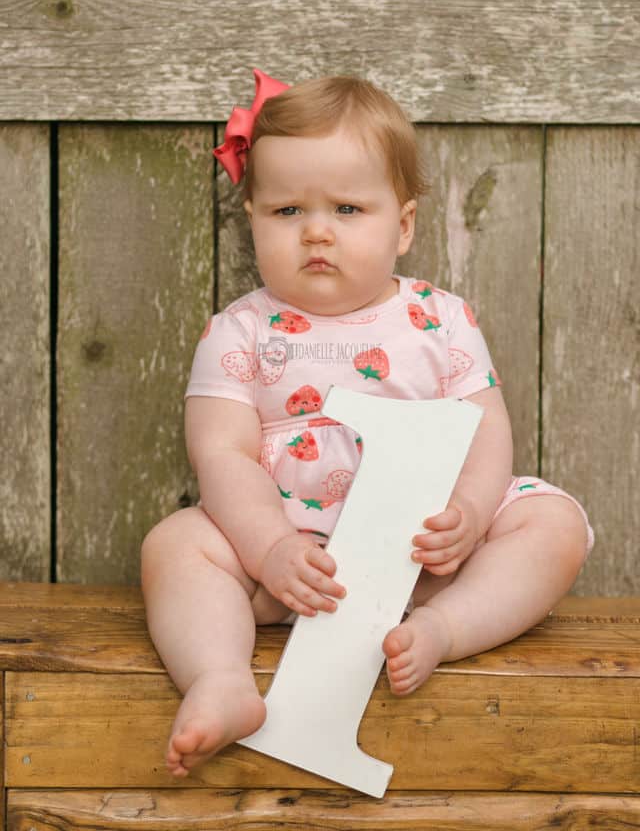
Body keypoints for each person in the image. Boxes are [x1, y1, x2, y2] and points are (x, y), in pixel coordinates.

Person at [141, 68, 594, 779]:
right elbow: (223, 456)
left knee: (555, 522)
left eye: (348, 210)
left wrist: (470, 516)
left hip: (426, 560)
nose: (317, 231)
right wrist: (270, 550)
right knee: (176, 544)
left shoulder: (439, 319)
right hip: (291, 565)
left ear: (403, 224)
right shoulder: (239, 333)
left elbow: (485, 430)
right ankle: (220, 677)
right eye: (287, 211)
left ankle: (445, 630)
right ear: (253, 216)